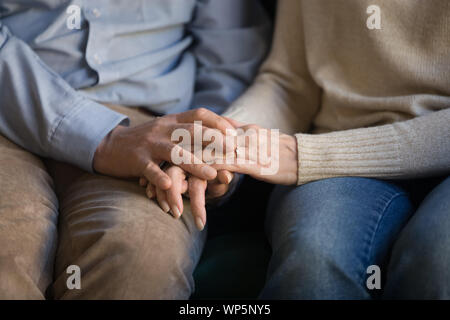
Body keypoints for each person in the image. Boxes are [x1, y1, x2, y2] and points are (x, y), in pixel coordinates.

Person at [150, 0, 450, 299]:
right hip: (338, 149)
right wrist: (215, 144)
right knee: (313, 257)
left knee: (436, 258)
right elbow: (290, 83)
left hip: (340, 152)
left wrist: (299, 155)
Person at [0, 0, 270, 299]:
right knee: (8, 248)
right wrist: (103, 139)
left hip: (156, 125)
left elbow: (231, 63)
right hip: (6, 108)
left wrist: (207, 151)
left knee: (142, 255)